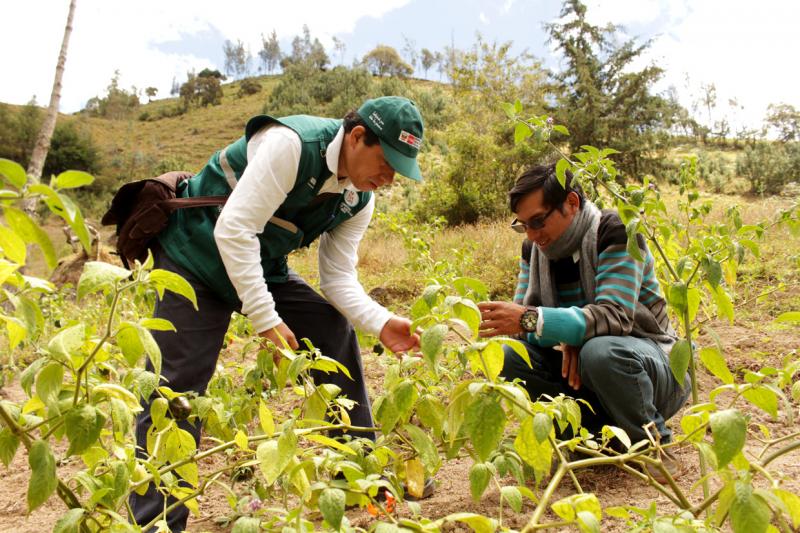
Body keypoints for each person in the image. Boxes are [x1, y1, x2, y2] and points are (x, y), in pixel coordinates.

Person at [131, 96, 426, 531]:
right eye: (387, 163)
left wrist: (381, 322)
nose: (389, 178)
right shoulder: (291, 144)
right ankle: (155, 522)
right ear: (358, 137)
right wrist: (265, 318)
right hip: (196, 259)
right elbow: (234, 229)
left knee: (332, 330)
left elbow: (338, 278)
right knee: (176, 387)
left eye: (398, 171)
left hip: (261, 266)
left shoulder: (358, 199)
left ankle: (361, 475)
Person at [477, 163, 690, 478]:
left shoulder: (617, 232)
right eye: (523, 225)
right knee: (508, 355)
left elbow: (614, 316)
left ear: (572, 203)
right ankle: (589, 436)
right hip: (589, 374)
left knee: (600, 351)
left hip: (653, 366)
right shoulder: (533, 250)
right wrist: (567, 336)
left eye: (538, 221)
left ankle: (652, 444)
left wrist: (569, 333)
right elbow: (522, 330)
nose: (533, 235)